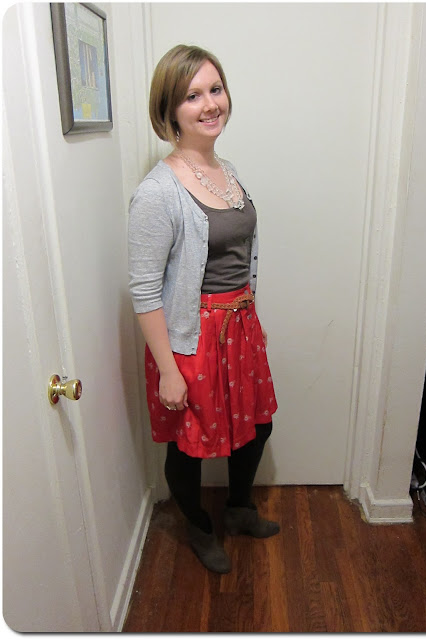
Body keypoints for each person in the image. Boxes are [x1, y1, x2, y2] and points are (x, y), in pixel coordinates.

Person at [128, 44, 278, 574]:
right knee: (190, 442)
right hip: (192, 337)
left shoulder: (225, 169)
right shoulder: (157, 192)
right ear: (170, 110)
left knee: (256, 426)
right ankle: (197, 525)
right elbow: (145, 290)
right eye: (192, 96)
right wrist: (169, 370)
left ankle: (238, 509)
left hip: (240, 325)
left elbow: (236, 255)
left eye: (216, 89)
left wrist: (250, 317)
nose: (210, 104)